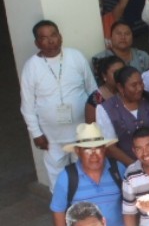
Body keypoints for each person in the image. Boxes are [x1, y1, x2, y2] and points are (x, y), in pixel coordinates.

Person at [21, 20, 97, 190]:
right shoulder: (31, 67)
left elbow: (93, 91)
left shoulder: (75, 57)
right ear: (37, 43)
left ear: (60, 37)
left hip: (82, 133)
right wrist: (36, 133)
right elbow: (27, 106)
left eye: (53, 35)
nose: (50, 41)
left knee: (86, 175)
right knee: (58, 181)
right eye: (44, 38)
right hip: (51, 139)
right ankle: (62, 206)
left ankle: (86, 206)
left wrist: (94, 125)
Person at [96, 66, 149, 166]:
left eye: (141, 83)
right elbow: (110, 147)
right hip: (126, 167)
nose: (140, 88)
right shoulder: (105, 109)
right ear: (120, 87)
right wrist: (136, 168)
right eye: (134, 85)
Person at [85, 56, 126, 124]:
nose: (120, 75)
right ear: (104, 75)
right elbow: (91, 127)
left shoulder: (130, 91)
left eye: (122, 71)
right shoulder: (95, 99)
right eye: (115, 72)